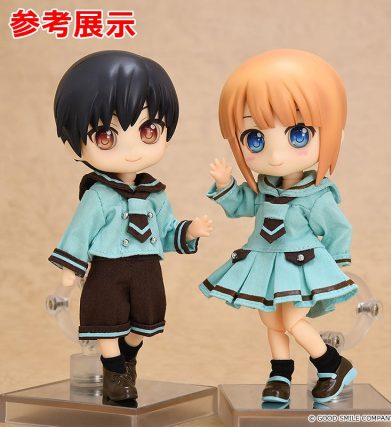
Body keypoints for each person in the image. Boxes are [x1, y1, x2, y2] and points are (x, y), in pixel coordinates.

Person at [49, 50, 212, 404]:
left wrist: (189, 231)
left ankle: (128, 359)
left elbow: (166, 230)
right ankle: (114, 372)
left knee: (145, 321)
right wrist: (69, 269)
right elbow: (79, 232)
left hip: (146, 267)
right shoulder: (99, 195)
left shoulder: (155, 194)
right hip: (108, 268)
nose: (132, 149)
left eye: (148, 130)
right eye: (105, 136)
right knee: (105, 321)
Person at [200, 49, 357, 404]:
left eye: (299, 134)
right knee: (271, 322)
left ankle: (333, 365)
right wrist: (225, 184)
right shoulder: (263, 190)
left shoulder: (316, 196)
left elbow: (338, 229)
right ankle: (280, 375)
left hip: (301, 266)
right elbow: (241, 205)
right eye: (255, 138)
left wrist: (334, 267)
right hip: (264, 265)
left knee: (294, 322)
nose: (274, 155)